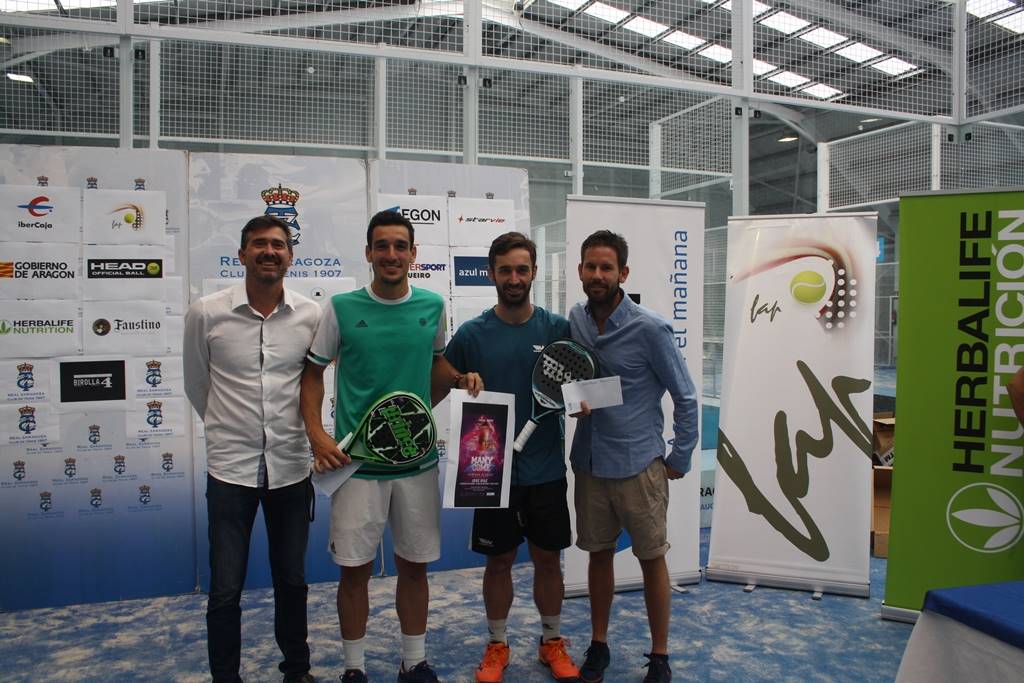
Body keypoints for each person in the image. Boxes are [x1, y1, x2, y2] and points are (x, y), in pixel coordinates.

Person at [300, 210, 482, 683]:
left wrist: (460, 378)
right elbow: (313, 374)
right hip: (356, 468)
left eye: (400, 246)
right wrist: (318, 436)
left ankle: (413, 662)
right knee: (354, 573)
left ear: (413, 254)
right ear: (368, 253)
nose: (391, 254)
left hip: (417, 467)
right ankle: (354, 669)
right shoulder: (340, 308)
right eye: (382, 245)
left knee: (415, 569)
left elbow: (435, 364)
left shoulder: (432, 306)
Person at [183, 215, 321, 683]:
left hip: (290, 468)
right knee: (225, 589)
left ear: (290, 256)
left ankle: (297, 671)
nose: (269, 251)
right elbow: (197, 384)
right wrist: (230, 430)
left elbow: (313, 385)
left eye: (278, 245)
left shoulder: (310, 315)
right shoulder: (206, 313)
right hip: (230, 472)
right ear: (242, 254)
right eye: (259, 244)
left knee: (293, 581)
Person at [438, 232, 580, 683]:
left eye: (522, 269)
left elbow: (579, 386)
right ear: (491, 274)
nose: (514, 278)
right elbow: (441, 375)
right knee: (497, 562)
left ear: (534, 272)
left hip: (546, 471)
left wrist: (584, 401)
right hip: (491, 473)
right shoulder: (472, 333)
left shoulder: (557, 329)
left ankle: (551, 640)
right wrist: (460, 379)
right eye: (505, 270)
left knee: (547, 560)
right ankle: (497, 644)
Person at [569, 230, 698, 683]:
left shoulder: (651, 328)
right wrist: (572, 398)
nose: (598, 274)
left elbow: (686, 397)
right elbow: (571, 377)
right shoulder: (576, 320)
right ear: (580, 270)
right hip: (590, 464)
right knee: (598, 556)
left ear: (623, 273)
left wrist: (680, 456)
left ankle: (659, 655)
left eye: (606, 267)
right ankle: (598, 644)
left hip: (639, 466)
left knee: (651, 559)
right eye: (591, 266)